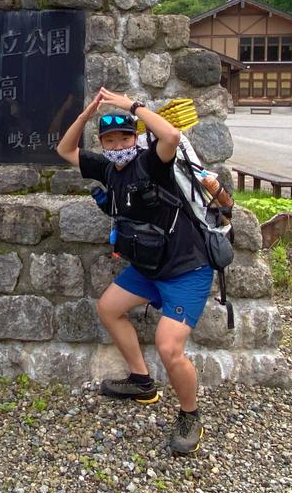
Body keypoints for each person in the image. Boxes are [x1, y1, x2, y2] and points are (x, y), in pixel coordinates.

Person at [56, 87, 213, 455]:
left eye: (124, 136)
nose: (117, 144)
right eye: (109, 139)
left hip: (187, 269)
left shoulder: (151, 162)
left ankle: (190, 415)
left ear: (136, 136)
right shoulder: (108, 168)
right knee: (109, 308)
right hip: (148, 269)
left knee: (169, 348)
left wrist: (132, 106)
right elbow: (65, 150)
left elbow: (172, 135)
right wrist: (85, 114)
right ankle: (142, 380)